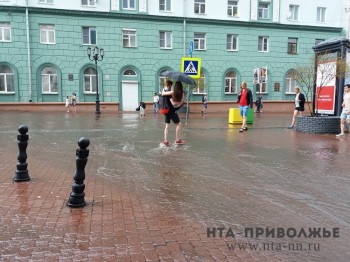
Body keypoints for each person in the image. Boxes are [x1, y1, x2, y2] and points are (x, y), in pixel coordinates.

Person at [161, 81, 185, 146]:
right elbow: (174, 104)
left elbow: (162, 94)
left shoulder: (171, 92)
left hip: (166, 110)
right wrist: (180, 104)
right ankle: (177, 140)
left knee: (167, 126)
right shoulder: (179, 93)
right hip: (171, 110)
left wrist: (163, 90)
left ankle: (165, 141)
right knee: (179, 124)